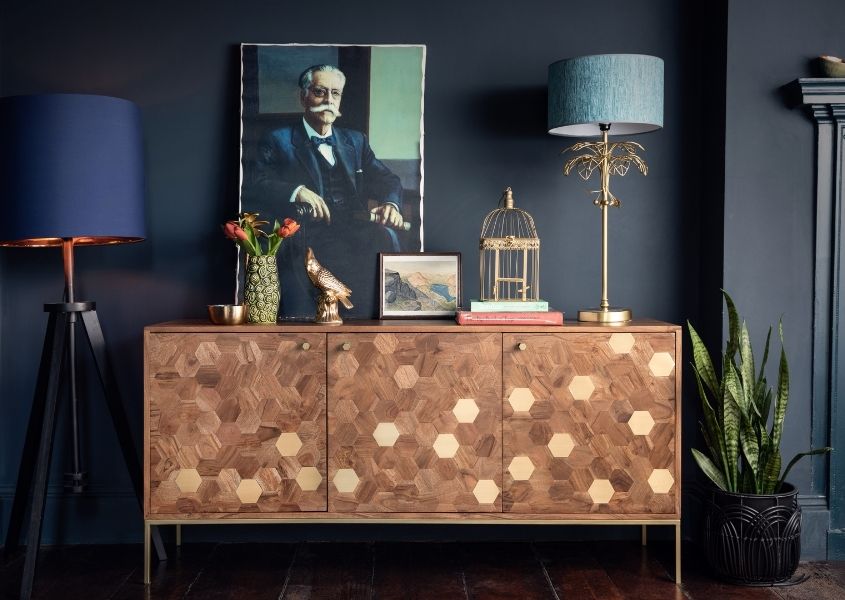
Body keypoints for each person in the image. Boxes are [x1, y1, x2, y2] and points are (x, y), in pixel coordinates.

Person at [244, 64, 406, 319]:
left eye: (335, 93)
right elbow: (255, 184)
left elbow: (388, 179)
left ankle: (384, 317)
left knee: (385, 237)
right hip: (306, 234)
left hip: (353, 229)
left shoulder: (356, 141)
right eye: (320, 92)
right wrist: (296, 190)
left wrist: (391, 204)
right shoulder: (278, 139)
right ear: (303, 97)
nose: (329, 100)